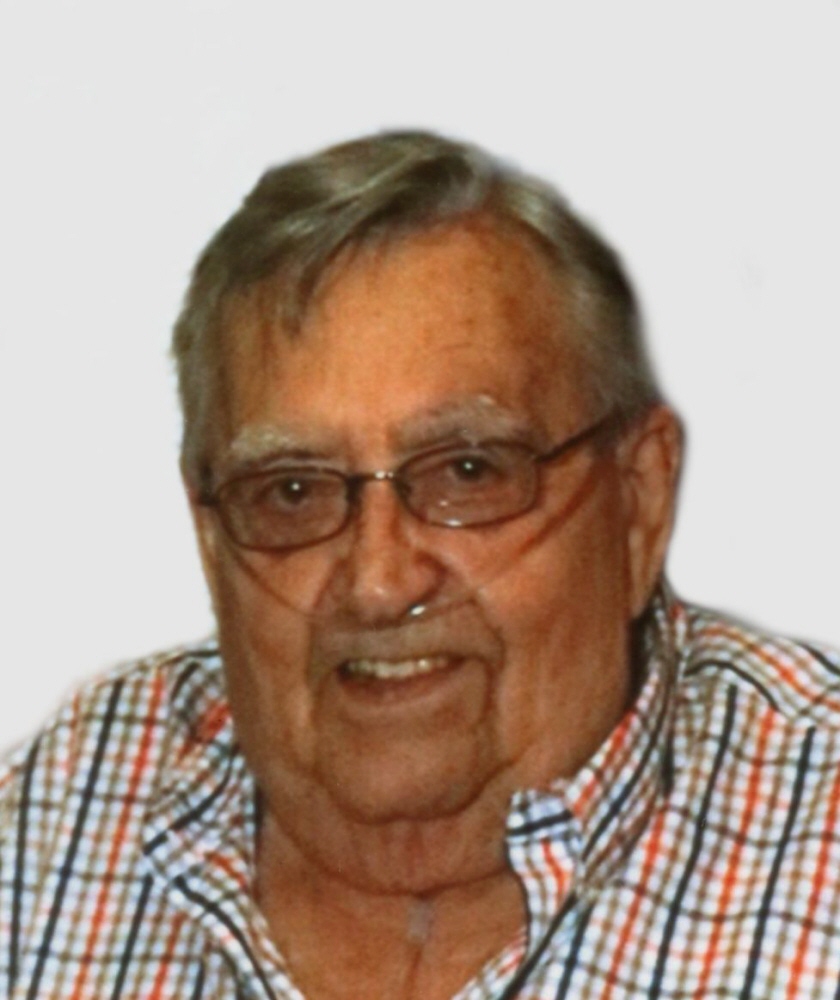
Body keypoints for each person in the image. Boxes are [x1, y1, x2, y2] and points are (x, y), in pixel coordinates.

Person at [1, 130, 838, 1000]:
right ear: (211, 543)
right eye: (293, 492)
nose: (377, 581)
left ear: (638, 503)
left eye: (468, 473)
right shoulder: (59, 820)